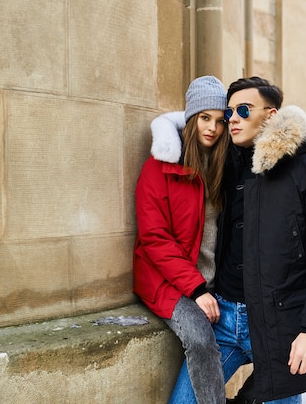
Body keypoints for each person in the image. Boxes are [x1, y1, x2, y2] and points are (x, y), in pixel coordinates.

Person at [154, 76, 306, 404]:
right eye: (229, 112)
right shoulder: (229, 167)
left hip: (282, 326)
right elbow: (194, 128)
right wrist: (164, 130)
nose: (231, 119)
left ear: (271, 115)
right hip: (222, 319)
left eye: (243, 110)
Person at [132, 75, 231, 404]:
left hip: (209, 281)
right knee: (201, 338)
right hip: (166, 280)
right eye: (205, 118)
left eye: (219, 121)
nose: (212, 128)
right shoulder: (158, 168)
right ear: (191, 119)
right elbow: (154, 238)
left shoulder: (222, 167)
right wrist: (197, 289)